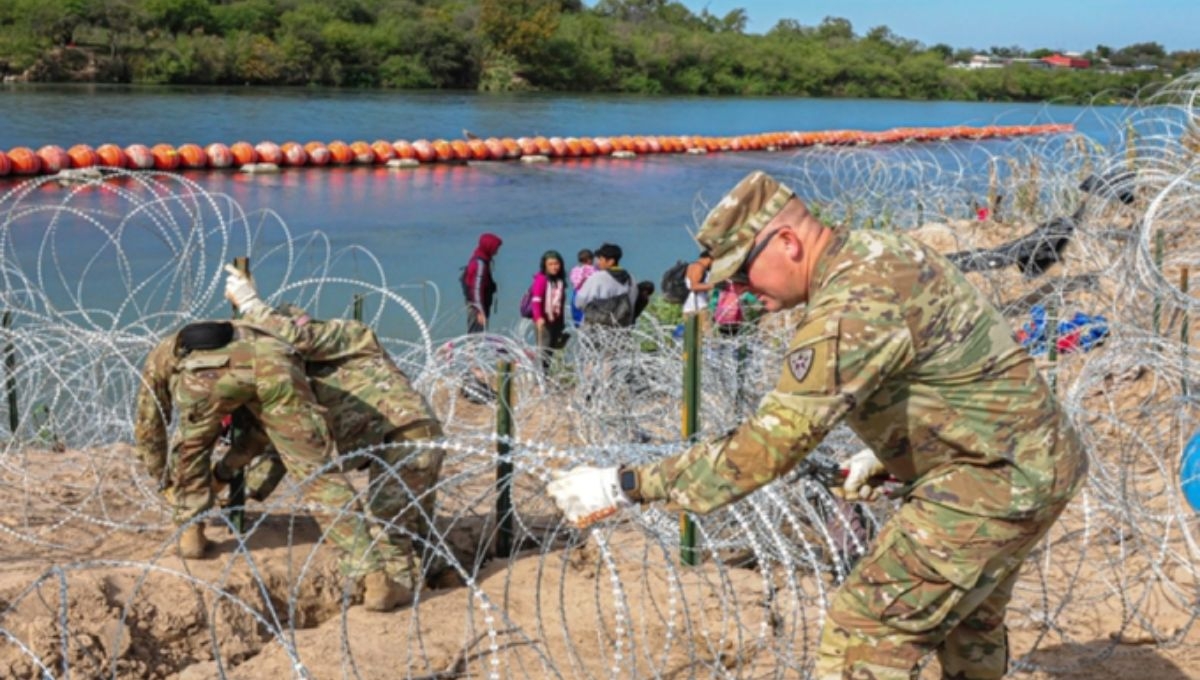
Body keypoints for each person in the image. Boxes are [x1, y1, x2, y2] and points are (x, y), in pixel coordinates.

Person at [546, 171, 1088, 679]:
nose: (738, 290)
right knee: (970, 623)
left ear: (788, 242)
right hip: (1033, 459)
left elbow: (766, 447)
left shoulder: (846, 306)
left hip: (988, 481)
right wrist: (895, 451)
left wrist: (628, 485)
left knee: (865, 629)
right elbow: (961, 366)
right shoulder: (880, 252)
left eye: (742, 272)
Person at [133, 318, 413, 612]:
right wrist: (225, 472)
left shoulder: (162, 355)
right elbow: (260, 436)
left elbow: (149, 425)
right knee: (317, 474)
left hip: (205, 374)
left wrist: (164, 481)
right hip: (277, 365)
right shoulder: (252, 332)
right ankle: (374, 577)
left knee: (190, 449)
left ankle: (190, 531)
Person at [574, 243, 637, 327]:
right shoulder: (631, 278)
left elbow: (579, 303)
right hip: (621, 328)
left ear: (610, 261)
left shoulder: (597, 277)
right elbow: (632, 303)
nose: (598, 262)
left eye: (601, 259)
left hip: (597, 329)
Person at [529, 250, 569, 374]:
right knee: (543, 350)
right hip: (544, 321)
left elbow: (560, 303)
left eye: (556, 263)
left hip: (556, 320)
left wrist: (562, 322)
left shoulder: (559, 282)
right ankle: (539, 377)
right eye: (550, 264)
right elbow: (536, 300)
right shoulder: (541, 280)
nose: (554, 267)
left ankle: (545, 375)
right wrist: (538, 317)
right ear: (545, 266)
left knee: (551, 350)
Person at [463, 233, 502, 333]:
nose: (497, 251)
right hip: (476, 305)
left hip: (477, 303)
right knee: (476, 335)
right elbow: (476, 289)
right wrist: (479, 310)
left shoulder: (482, 259)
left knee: (477, 333)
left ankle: (472, 348)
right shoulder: (480, 264)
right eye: (496, 248)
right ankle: (471, 349)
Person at [682, 250, 715, 317]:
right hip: (696, 308)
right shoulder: (698, 267)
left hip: (695, 307)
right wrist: (714, 285)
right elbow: (693, 286)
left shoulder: (696, 266)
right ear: (709, 259)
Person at [569, 248, 596, 327]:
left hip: (576, 294)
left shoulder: (575, 270)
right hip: (588, 296)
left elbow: (574, 283)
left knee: (578, 319)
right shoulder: (592, 270)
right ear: (590, 260)